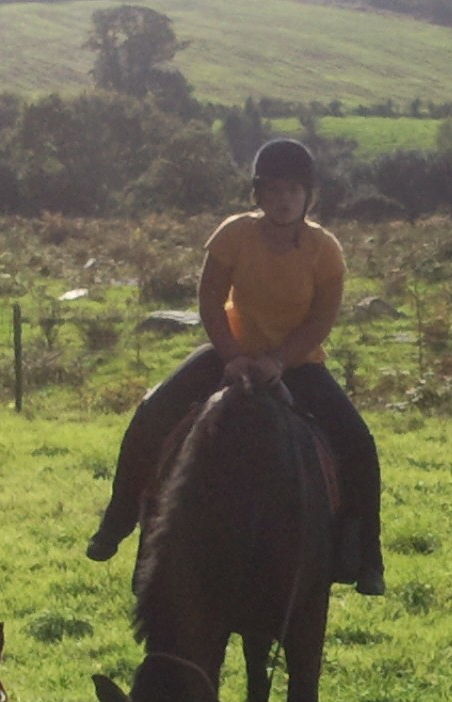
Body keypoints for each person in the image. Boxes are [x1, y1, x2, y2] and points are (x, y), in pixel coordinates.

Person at [85, 139, 384, 593]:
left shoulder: (325, 250)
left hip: (298, 364)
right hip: (230, 354)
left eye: (293, 190)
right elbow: (209, 299)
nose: (283, 199)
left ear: (308, 196)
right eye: (273, 189)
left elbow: (322, 319)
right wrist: (231, 356)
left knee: (359, 443)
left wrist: (278, 360)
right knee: (152, 413)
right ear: (258, 194)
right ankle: (118, 520)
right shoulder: (233, 235)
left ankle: (366, 556)